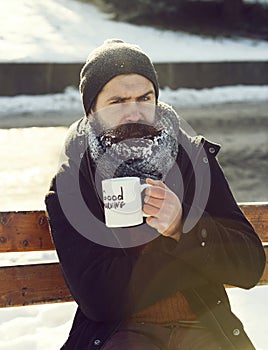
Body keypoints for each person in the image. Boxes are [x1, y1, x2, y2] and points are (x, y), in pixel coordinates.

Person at [45, 39, 265, 350]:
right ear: (92, 109)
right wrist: (188, 253)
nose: (134, 112)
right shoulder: (73, 182)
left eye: (144, 98)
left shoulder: (194, 161)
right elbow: (101, 299)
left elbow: (249, 265)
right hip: (121, 334)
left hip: (205, 327)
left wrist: (181, 223)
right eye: (118, 101)